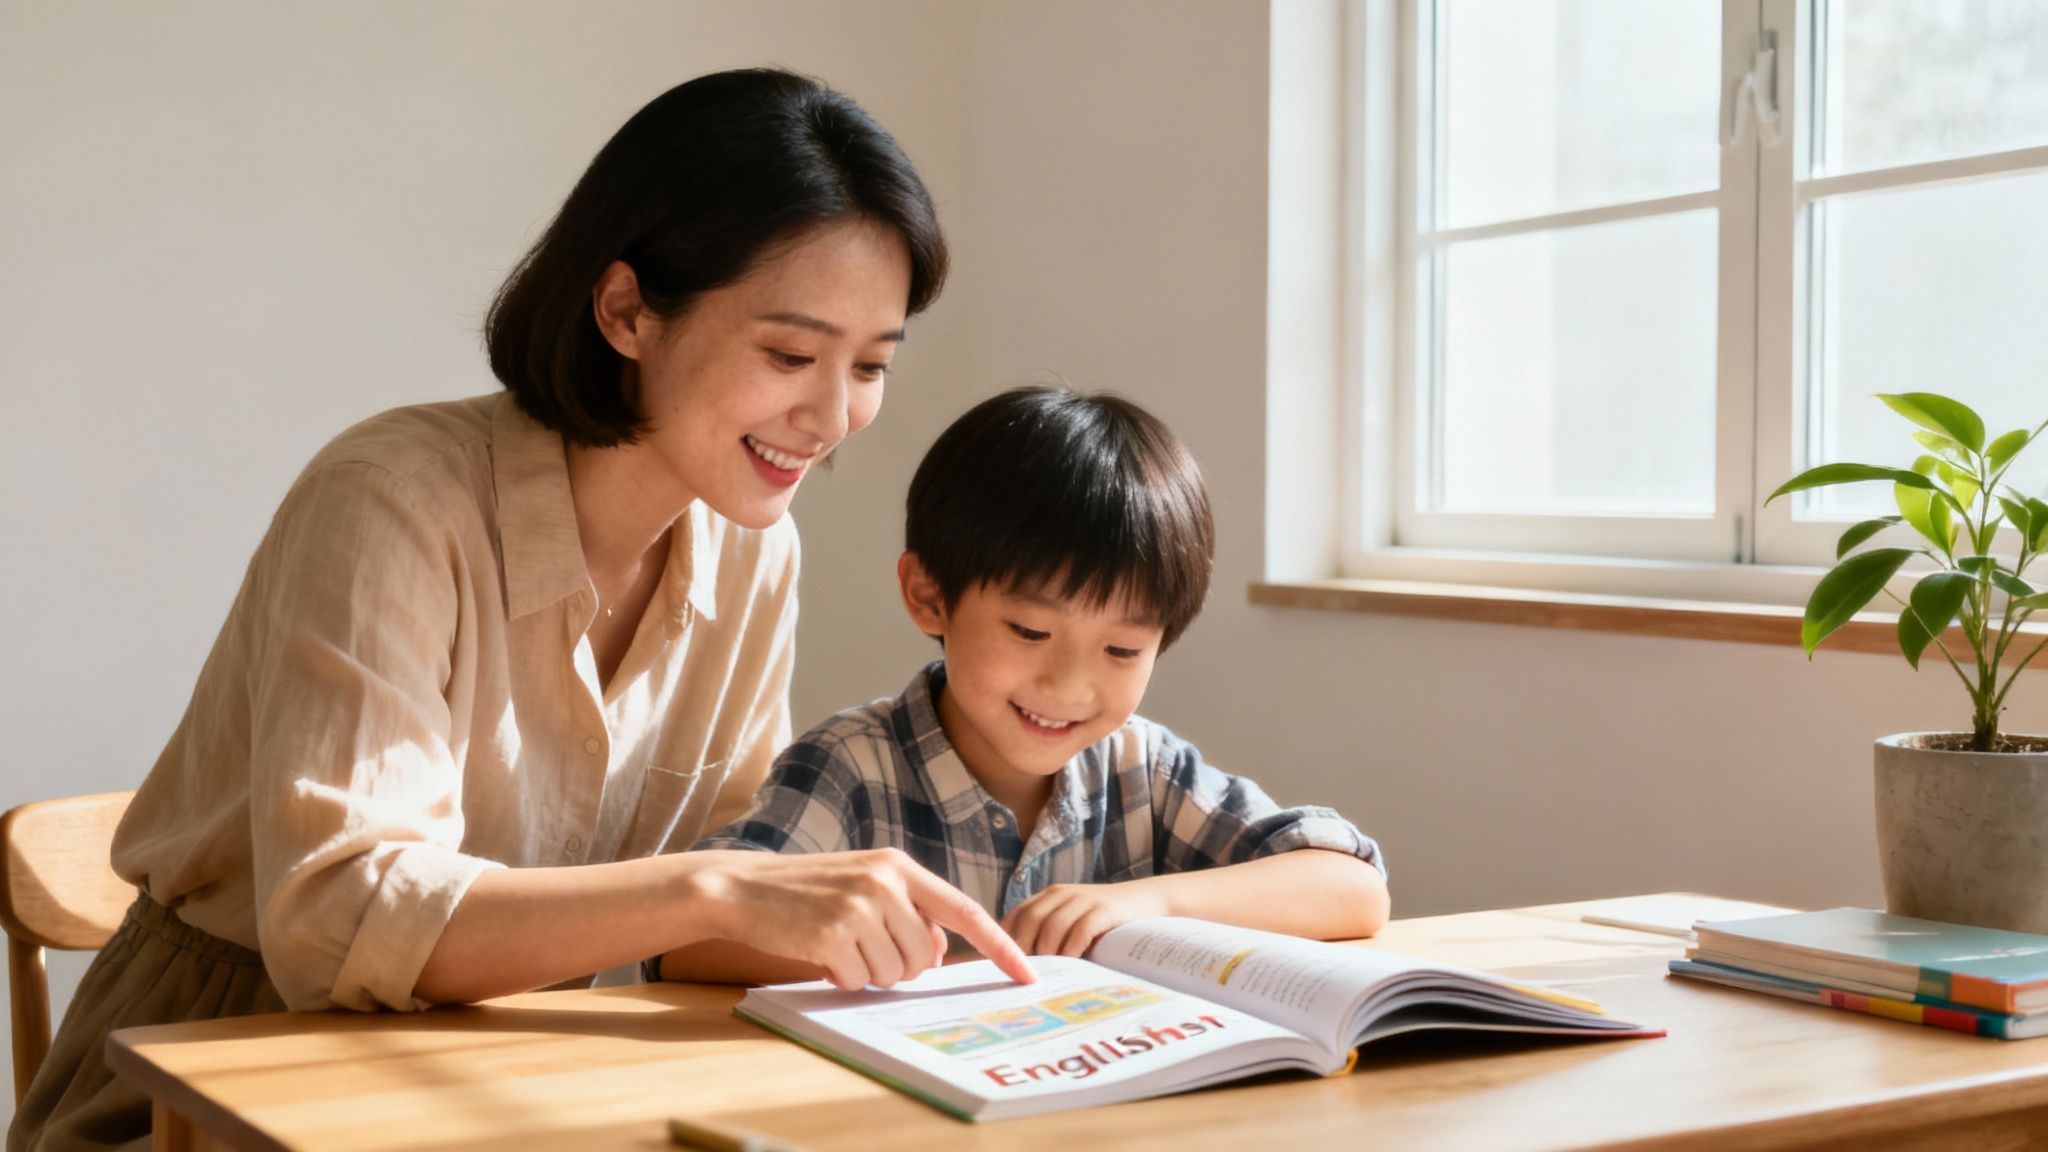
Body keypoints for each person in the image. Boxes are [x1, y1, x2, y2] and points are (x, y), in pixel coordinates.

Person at [11, 68, 1033, 1152]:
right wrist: (720, 890)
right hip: (209, 1079)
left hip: (504, 1068)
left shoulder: (754, 551)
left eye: (869, 365)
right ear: (626, 311)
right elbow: (339, 920)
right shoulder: (392, 500)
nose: (831, 416)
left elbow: (722, 897)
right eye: (789, 354)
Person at [669, 386, 1389, 986]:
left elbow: (1353, 888)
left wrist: (1154, 904)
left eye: (1122, 649)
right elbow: (686, 941)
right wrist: (893, 952)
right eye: (1030, 632)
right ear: (929, 596)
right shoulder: (851, 768)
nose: (1070, 686)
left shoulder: (1143, 770)